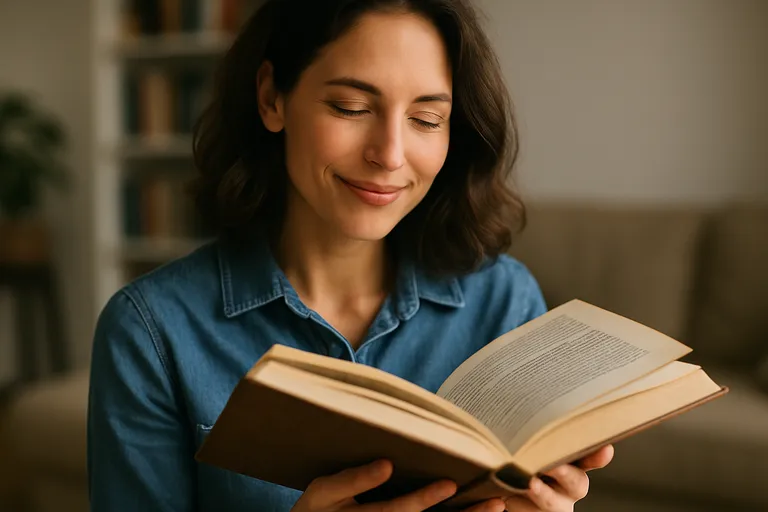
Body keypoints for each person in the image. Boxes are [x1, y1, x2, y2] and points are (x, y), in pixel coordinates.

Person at [87, 0, 614, 511]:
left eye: (427, 119)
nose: (388, 154)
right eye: (351, 108)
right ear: (272, 98)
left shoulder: (504, 301)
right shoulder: (151, 331)